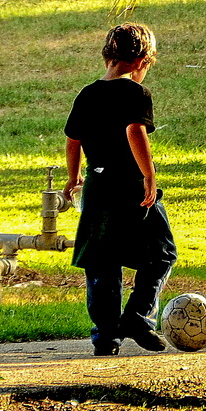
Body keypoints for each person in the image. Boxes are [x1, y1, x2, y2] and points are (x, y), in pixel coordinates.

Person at [63, 22, 178, 356]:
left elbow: (73, 140)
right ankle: (139, 319)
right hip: (130, 184)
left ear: (108, 57)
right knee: (161, 253)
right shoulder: (135, 93)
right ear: (143, 60)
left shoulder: (87, 94)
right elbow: (134, 131)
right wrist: (149, 176)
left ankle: (105, 335)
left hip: (98, 185)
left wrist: (75, 178)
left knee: (102, 261)